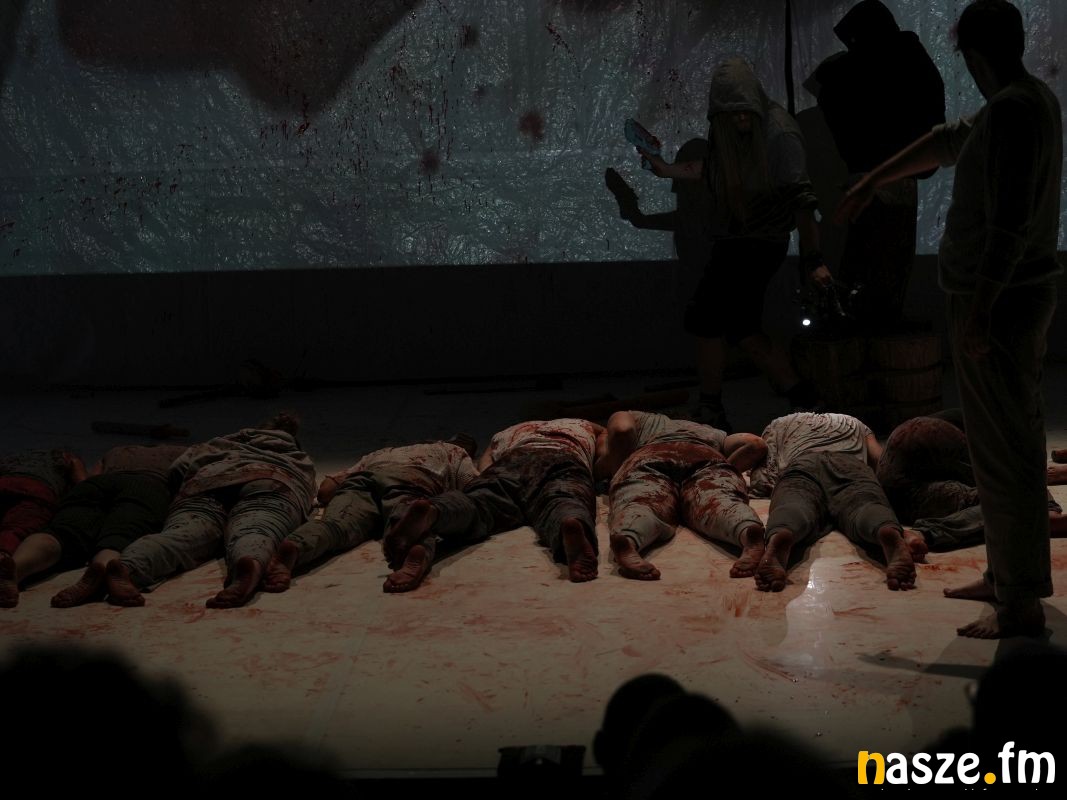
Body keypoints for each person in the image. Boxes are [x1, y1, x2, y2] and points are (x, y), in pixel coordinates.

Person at [837, 0, 1062, 637]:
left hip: (1003, 302)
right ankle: (1006, 575)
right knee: (998, 448)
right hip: (1003, 299)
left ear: (974, 54)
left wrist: (982, 308)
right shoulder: (1020, 103)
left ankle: (1019, 602)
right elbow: (945, 141)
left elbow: (1010, 223)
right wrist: (871, 181)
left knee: (1007, 453)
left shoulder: (1015, 109)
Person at [637, 58, 827, 430]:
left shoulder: (779, 135)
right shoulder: (726, 132)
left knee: (707, 319)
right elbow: (714, 167)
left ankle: (712, 407)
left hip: (760, 242)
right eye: (731, 113)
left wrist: (814, 259)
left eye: (744, 111)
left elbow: (803, 202)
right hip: (736, 239)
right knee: (741, 327)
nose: (740, 118)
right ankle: (803, 395)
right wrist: (666, 169)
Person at [55, 412, 316, 609]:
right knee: (256, 528)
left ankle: (128, 567)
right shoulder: (296, 454)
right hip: (269, 480)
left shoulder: (220, 442)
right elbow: (305, 487)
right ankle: (250, 562)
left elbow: (179, 469)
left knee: (180, 536)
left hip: (207, 483)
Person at [805, 0, 945, 329]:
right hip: (897, 174)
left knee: (874, 260)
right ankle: (874, 324)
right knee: (883, 261)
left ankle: (869, 327)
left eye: (854, 40)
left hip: (881, 176)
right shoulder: (904, 60)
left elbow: (827, 87)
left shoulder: (874, 65)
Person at [382, 419, 603, 587]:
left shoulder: (508, 432)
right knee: (564, 499)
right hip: (564, 458)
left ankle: (436, 511)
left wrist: (491, 485)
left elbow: (485, 464)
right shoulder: (584, 426)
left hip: (513, 460)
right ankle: (569, 521)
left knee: (478, 504)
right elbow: (610, 452)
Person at [262, 435, 478, 594]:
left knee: (336, 525)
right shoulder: (454, 452)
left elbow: (326, 490)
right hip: (410, 481)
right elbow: (473, 486)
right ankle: (414, 553)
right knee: (409, 523)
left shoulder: (382, 453)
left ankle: (296, 545)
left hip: (363, 480)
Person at [1, 444, 185, 608]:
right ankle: (101, 569)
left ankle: (16, 568)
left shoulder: (117, 451)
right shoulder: (180, 451)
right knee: (121, 534)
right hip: (149, 484)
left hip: (97, 484)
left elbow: (84, 478)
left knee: (61, 533)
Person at [595, 410, 767, 580]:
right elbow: (755, 444)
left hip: (652, 454)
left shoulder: (641, 418)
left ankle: (628, 537)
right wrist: (724, 469)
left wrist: (616, 473)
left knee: (641, 500)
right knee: (720, 501)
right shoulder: (712, 432)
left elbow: (622, 430)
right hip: (706, 456)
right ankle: (746, 530)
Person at [0, 447, 85, 607]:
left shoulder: (13, 457)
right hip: (36, 488)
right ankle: (2, 560)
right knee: (17, 528)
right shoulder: (67, 457)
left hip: (5, 482)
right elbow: (83, 484)